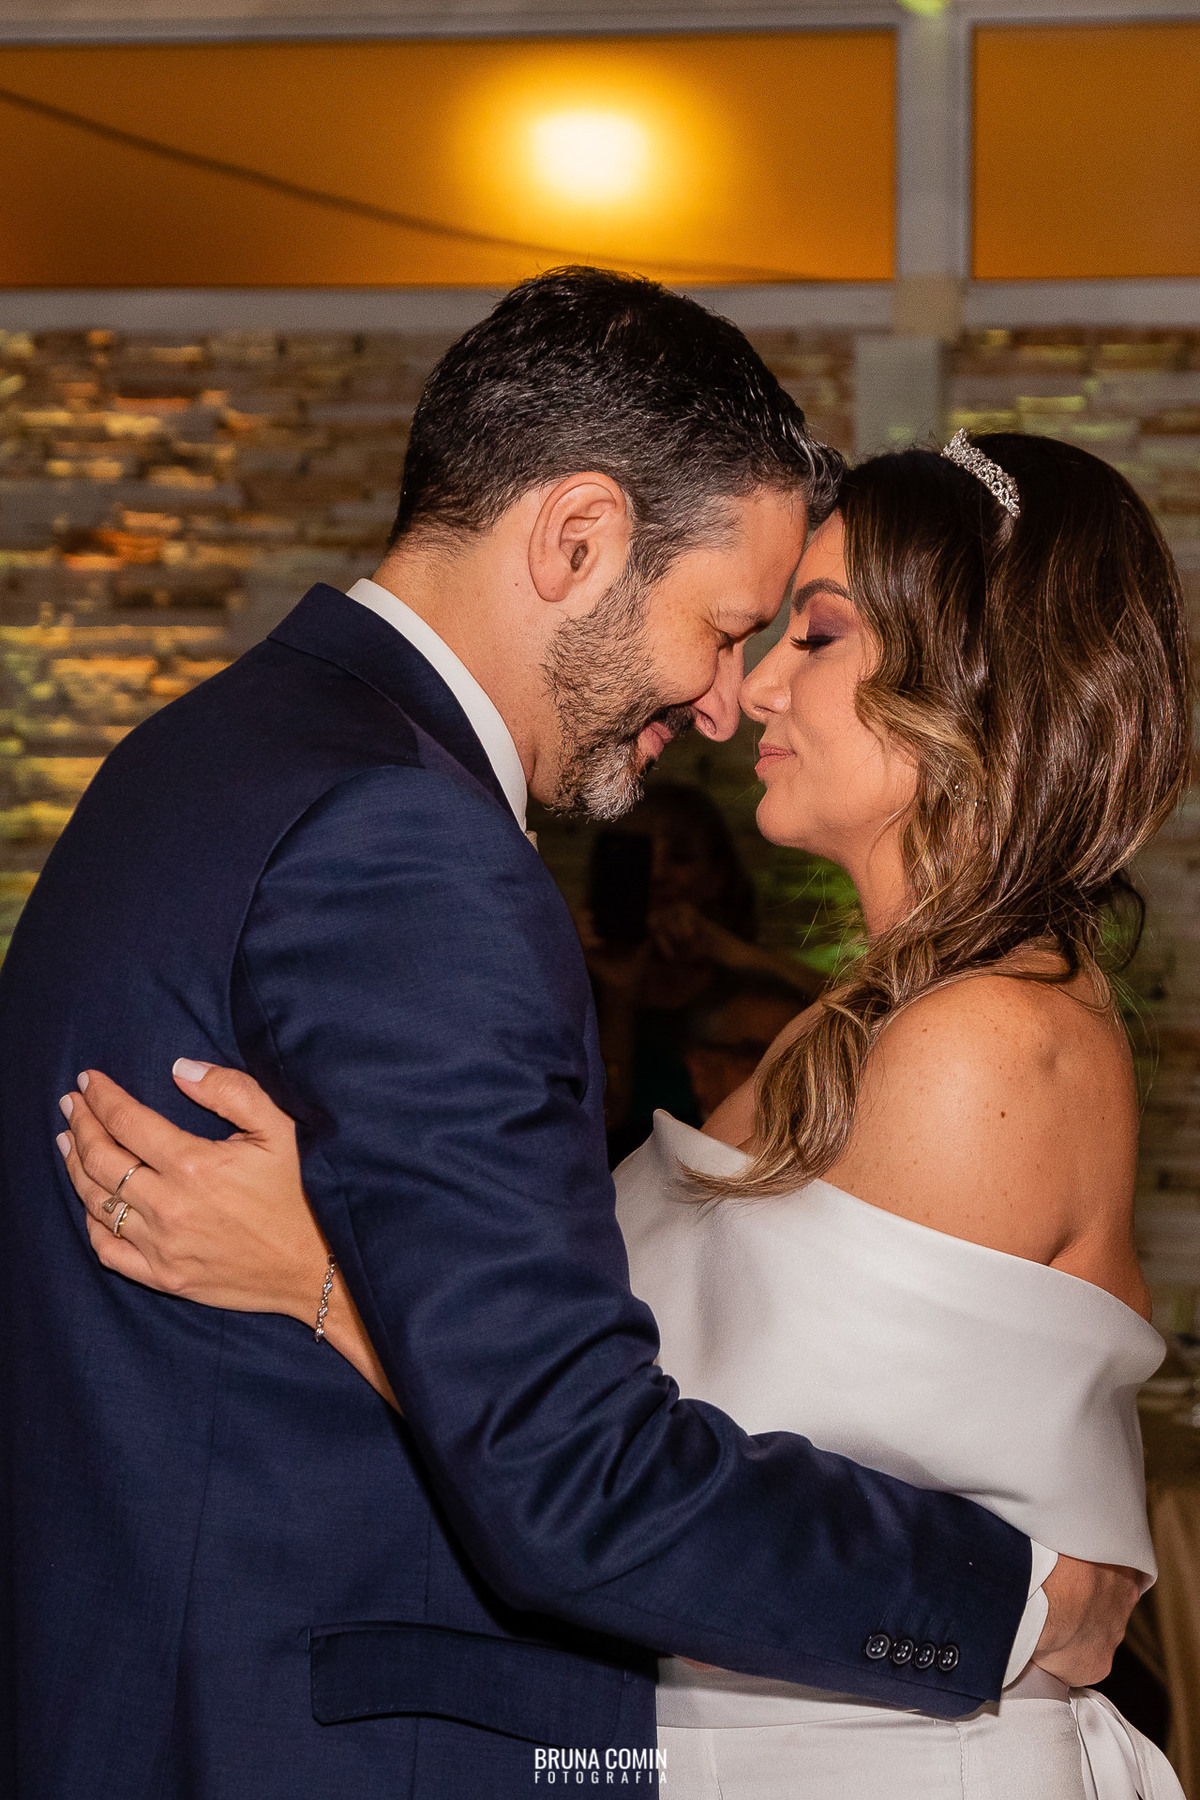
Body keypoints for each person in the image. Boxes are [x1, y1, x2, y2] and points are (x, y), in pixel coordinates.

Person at [3, 270, 1132, 1800]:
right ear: (580, 537)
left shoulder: (200, 753)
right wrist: (1021, 1608)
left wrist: (334, 1284)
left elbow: (567, 1415)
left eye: (797, 637)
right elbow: (572, 1456)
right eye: (729, 627)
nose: (728, 702)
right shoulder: (410, 840)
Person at [579, 781, 815, 1157]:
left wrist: (727, 949)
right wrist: (615, 990)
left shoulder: (746, 987)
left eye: (680, 858)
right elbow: (593, 1120)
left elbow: (849, 1011)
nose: (657, 874)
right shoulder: (572, 978)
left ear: (716, 875)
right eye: (640, 855)